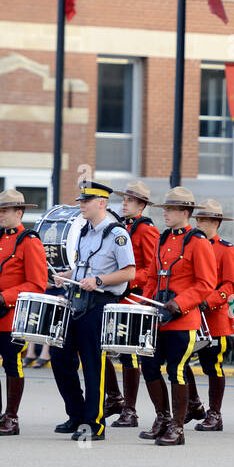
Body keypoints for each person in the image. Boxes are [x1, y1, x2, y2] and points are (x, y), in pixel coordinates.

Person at [50, 182, 136, 441]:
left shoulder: (117, 234)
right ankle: (76, 414)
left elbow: (129, 272)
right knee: (59, 356)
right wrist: (66, 275)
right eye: (80, 201)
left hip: (99, 304)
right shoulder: (84, 232)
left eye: (86, 201)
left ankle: (94, 422)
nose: (81, 205)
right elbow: (84, 268)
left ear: (102, 203)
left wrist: (99, 281)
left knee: (92, 365)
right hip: (77, 300)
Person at [141, 187, 217, 446]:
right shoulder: (162, 240)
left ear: (185, 212)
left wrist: (178, 303)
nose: (165, 213)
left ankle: (177, 426)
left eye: (171, 209)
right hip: (157, 317)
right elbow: (152, 277)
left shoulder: (198, 242)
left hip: (182, 319)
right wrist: (146, 304)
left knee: (177, 370)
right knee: (149, 366)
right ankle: (162, 418)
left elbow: (206, 284)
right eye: (165, 208)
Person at [0, 189, 47, 436]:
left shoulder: (29, 241)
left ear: (19, 212)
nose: (1, 215)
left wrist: (5, 296)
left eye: (6, 211)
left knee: (12, 365)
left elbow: (37, 283)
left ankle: (11, 418)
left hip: (12, 317)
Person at [107, 181, 160, 427]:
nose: (123, 204)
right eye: (123, 199)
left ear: (141, 205)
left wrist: (127, 282)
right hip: (117, 292)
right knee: (102, 347)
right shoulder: (122, 226)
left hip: (134, 294)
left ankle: (130, 409)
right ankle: (114, 398)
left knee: (129, 355)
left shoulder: (146, 229)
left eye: (129, 200)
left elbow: (151, 269)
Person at [190, 199, 234, 431]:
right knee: (178, 361)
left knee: (213, 367)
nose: (199, 223)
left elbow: (230, 286)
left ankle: (215, 414)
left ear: (216, 222)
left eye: (205, 220)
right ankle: (193, 404)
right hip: (189, 313)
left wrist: (205, 302)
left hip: (214, 317)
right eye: (198, 219)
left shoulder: (226, 250)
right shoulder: (190, 244)